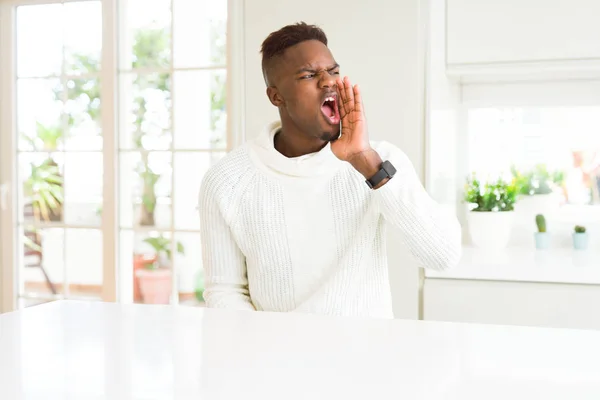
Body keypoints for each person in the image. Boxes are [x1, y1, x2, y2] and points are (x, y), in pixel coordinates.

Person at [198, 22, 461, 318]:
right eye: (309, 75)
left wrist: (366, 162)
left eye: (333, 72)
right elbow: (224, 291)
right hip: (276, 359)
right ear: (276, 97)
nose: (329, 82)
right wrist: (267, 350)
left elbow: (443, 255)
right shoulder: (226, 181)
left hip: (365, 357)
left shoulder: (379, 160)